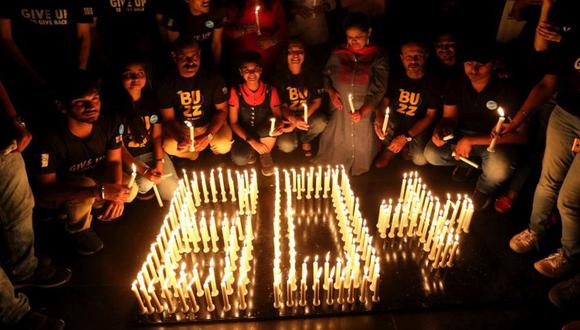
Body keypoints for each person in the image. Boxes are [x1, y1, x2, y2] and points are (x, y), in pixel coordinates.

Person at [507, 6, 579, 280]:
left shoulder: (569, 38)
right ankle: (535, 231)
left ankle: (570, 255)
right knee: (547, 181)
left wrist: (567, 40)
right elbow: (547, 82)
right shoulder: (569, 31)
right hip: (565, 113)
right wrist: (516, 121)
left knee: (570, 199)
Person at [35, 72, 138, 256]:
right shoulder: (50, 139)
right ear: (63, 107)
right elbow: (45, 190)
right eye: (80, 102)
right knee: (85, 186)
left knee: (131, 187)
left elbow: (114, 161)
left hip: (95, 180)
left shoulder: (109, 122)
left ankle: (91, 206)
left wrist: (115, 195)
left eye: (95, 99)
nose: (91, 106)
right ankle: (77, 228)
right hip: (65, 189)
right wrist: (97, 192)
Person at [0, 80, 71, 329]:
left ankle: (24, 270)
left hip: (2, 141)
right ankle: (11, 313)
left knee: (18, 207)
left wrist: (14, 121)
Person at [423, 44, 526, 209]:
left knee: (498, 169)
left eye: (481, 64)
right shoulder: (457, 82)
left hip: (494, 142)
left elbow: (522, 136)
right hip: (461, 135)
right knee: (431, 153)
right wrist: (440, 131)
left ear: (492, 64)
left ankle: (484, 189)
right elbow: (448, 117)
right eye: (469, 63)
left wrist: (472, 140)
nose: (474, 69)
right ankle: (468, 163)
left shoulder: (507, 88)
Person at [0, 0, 93, 131]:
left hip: (67, 78)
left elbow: (84, 36)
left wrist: (78, 77)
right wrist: (36, 79)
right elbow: (5, 38)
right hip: (25, 80)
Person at [314, 13, 389, 175]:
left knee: (362, 139)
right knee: (338, 137)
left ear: (368, 32)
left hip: (365, 106)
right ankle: (338, 165)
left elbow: (379, 88)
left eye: (358, 37)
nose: (353, 41)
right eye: (350, 37)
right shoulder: (339, 53)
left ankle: (358, 165)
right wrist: (331, 91)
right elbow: (326, 74)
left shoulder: (378, 56)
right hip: (340, 106)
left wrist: (365, 110)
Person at [113, 59, 178, 202]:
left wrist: (159, 164)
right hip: (131, 157)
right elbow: (120, 149)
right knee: (146, 184)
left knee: (172, 193)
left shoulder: (151, 101)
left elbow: (156, 137)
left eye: (140, 73)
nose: (135, 78)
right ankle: (144, 190)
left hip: (152, 153)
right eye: (129, 74)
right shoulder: (115, 109)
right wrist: (145, 171)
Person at [158, 37, 232, 161]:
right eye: (184, 57)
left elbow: (222, 111)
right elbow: (169, 119)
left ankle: (214, 156)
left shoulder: (212, 77)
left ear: (200, 55)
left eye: (194, 56)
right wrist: (180, 138)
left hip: (209, 123)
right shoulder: (166, 83)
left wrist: (208, 135)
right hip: (182, 127)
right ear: (174, 56)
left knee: (224, 144)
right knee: (169, 146)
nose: (190, 62)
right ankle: (192, 155)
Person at [374, 40, 440, 168]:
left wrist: (406, 137)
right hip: (395, 122)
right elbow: (383, 104)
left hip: (416, 127)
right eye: (409, 57)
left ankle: (406, 146)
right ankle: (391, 150)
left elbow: (430, 117)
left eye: (418, 57)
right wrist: (379, 117)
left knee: (420, 159)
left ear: (425, 56)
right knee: (378, 122)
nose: (413, 61)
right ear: (402, 58)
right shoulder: (396, 78)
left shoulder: (432, 83)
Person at [229, 51, 284, 176]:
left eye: (255, 69)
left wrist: (279, 124)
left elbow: (278, 115)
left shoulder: (270, 90)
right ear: (241, 72)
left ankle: (265, 155)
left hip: (264, 131)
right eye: (246, 70)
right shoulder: (236, 92)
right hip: (244, 133)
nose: (251, 73)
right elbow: (234, 122)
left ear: (260, 70)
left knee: (270, 127)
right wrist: (251, 141)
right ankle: (254, 150)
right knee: (240, 158)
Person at [275, 40, 327, 157]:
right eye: (291, 52)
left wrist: (299, 120)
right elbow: (280, 107)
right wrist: (293, 120)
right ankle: (292, 140)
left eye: (299, 51)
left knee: (321, 122)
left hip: (307, 117)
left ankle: (305, 138)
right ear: (285, 55)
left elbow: (317, 102)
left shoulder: (312, 75)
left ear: (305, 55)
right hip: (288, 119)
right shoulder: (279, 78)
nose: (295, 55)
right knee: (286, 145)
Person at [223, 0, 288, 76]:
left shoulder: (274, 4)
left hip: (268, 61)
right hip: (242, 60)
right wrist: (241, 31)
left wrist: (272, 41)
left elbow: (284, 29)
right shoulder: (237, 5)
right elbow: (225, 30)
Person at [162, 0, 225, 66]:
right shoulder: (174, 14)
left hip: (207, 56)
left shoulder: (217, 11)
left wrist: (216, 67)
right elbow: (176, 48)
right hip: (186, 59)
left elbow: (216, 44)